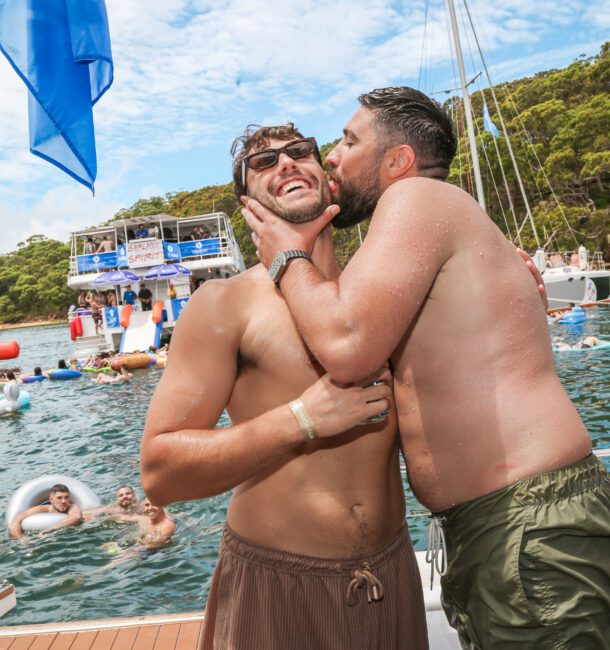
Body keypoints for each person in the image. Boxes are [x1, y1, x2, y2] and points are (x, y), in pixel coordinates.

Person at [242, 88, 610, 649]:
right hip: (509, 524)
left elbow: (347, 346)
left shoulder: (416, 199)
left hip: (528, 522)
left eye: (349, 141)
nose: (332, 156)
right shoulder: (431, 221)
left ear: (398, 161)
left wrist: (283, 253)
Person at [140, 128, 428, 649]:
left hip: (391, 574)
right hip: (276, 584)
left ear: (330, 181)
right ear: (249, 204)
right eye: (265, 161)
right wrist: (302, 418)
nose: (287, 164)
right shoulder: (225, 304)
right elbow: (161, 473)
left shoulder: (385, 289)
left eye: (300, 153)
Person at [9, 484, 82, 538]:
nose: (63, 501)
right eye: (59, 498)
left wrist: (51, 529)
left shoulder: (72, 507)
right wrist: (21, 538)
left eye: (66, 497)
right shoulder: (42, 509)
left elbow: (76, 517)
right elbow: (15, 521)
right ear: (51, 499)